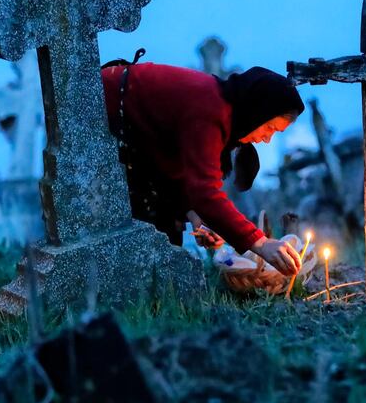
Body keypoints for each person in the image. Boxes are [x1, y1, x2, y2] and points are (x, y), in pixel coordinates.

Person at [101, 53, 305, 276]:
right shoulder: (210, 110)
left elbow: (175, 161)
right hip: (100, 112)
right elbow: (203, 191)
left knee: (166, 226)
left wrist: (195, 216)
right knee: (154, 224)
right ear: (257, 112)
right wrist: (260, 243)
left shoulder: (220, 109)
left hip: (135, 141)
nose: (267, 139)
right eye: (270, 128)